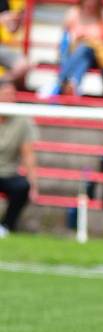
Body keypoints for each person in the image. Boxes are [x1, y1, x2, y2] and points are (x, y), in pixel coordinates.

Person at [45, 0, 103, 97]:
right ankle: (73, 85)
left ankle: (58, 81)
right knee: (84, 57)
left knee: (86, 48)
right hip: (76, 55)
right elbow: (64, 40)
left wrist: (90, 41)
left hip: (96, 56)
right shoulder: (73, 13)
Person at [0, 78, 37, 237]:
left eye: (12, 95)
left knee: (22, 186)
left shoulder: (22, 120)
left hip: (8, 173)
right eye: (6, 94)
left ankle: (6, 227)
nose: (10, 98)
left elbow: (28, 154)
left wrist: (34, 184)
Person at [0, 0, 29, 89]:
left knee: (23, 65)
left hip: (2, 47)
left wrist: (15, 20)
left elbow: (12, 30)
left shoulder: (5, 3)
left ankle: (2, 82)